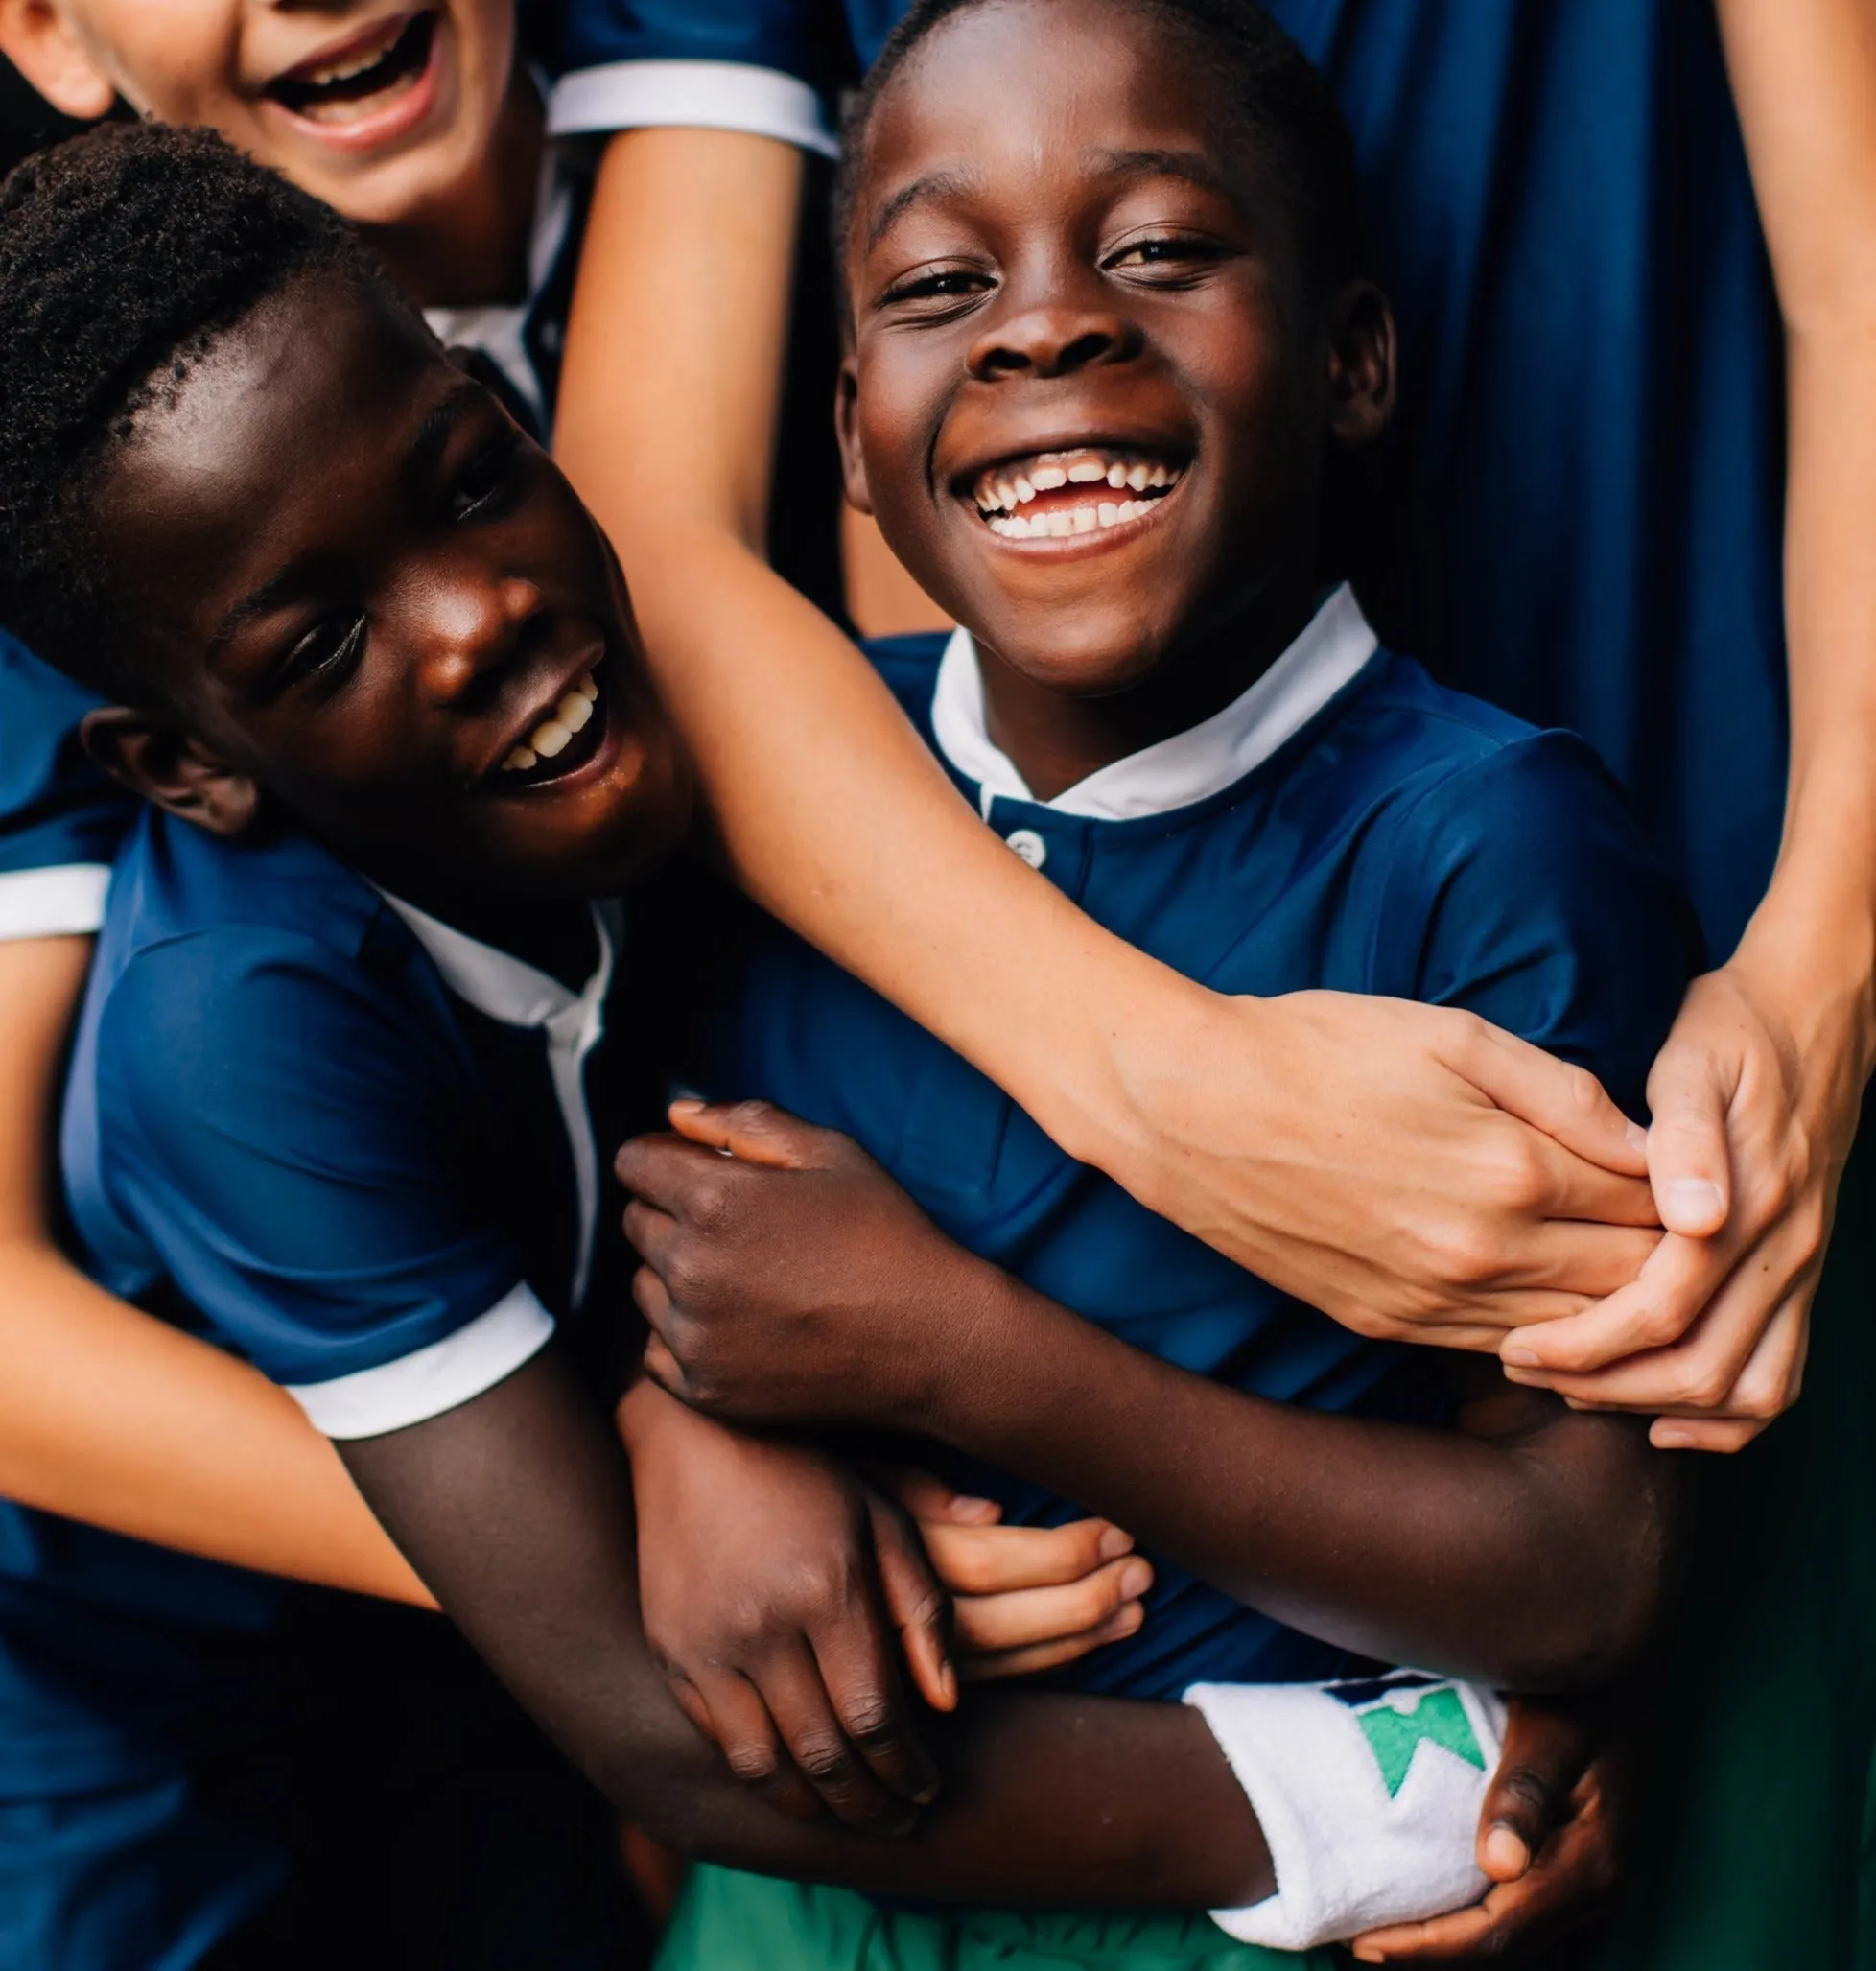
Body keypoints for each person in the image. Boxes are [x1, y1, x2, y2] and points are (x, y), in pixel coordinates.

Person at [544, 0, 1876, 1952]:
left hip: (1710, 1205)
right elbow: (661, 538)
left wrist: (1820, 969)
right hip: (1090, 1252)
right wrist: (1173, 1094)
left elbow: (1862, 291)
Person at [0, 118, 1671, 1965]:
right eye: (323, 647)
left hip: (486, 1662)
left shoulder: (675, 731)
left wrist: (672, 1399)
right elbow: (657, 1719)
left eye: (473, 482)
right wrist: (1397, 1794)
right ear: (187, 766)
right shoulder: (244, 1035)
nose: (478, 619)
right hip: (123, 1705)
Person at [0, 0, 1137, 1970]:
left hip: (632, 1396)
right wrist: (618, 1456)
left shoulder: (718, 92)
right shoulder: (72, 487)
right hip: (163, 1656)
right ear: (34, 20)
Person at [607, 0, 1700, 1966]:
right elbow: (667, 1280)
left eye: (1161, 248)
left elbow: (1584, 1570)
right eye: (944, 286)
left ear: (1355, 357)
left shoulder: (1490, 851)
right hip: (791, 1914)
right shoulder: (771, 806)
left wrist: (965, 1352)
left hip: (1242, 1911)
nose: (1041, 330)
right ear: (851, 432)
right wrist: (685, 1435)